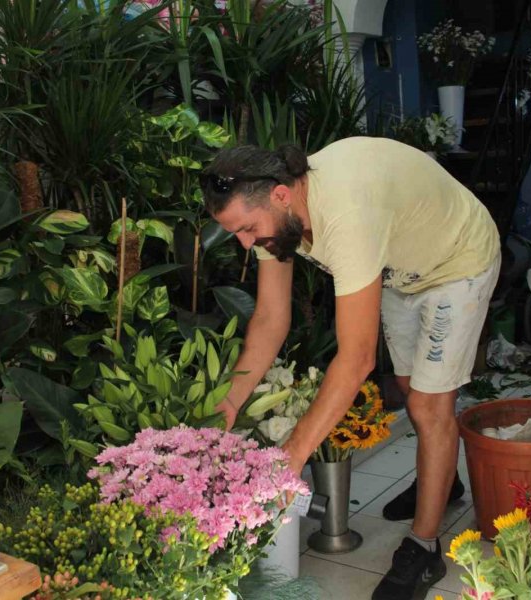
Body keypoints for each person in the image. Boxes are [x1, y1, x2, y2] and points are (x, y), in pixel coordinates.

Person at [201, 137, 500, 600]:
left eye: (246, 229)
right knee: (406, 385)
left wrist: (292, 455)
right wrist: (229, 402)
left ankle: (424, 550)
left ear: (281, 194)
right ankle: (444, 480)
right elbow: (270, 318)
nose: (245, 244)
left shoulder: (346, 214)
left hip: (458, 261)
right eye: (237, 233)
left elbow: (357, 357)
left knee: (427, 404)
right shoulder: (273, 216)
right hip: (403, 268)